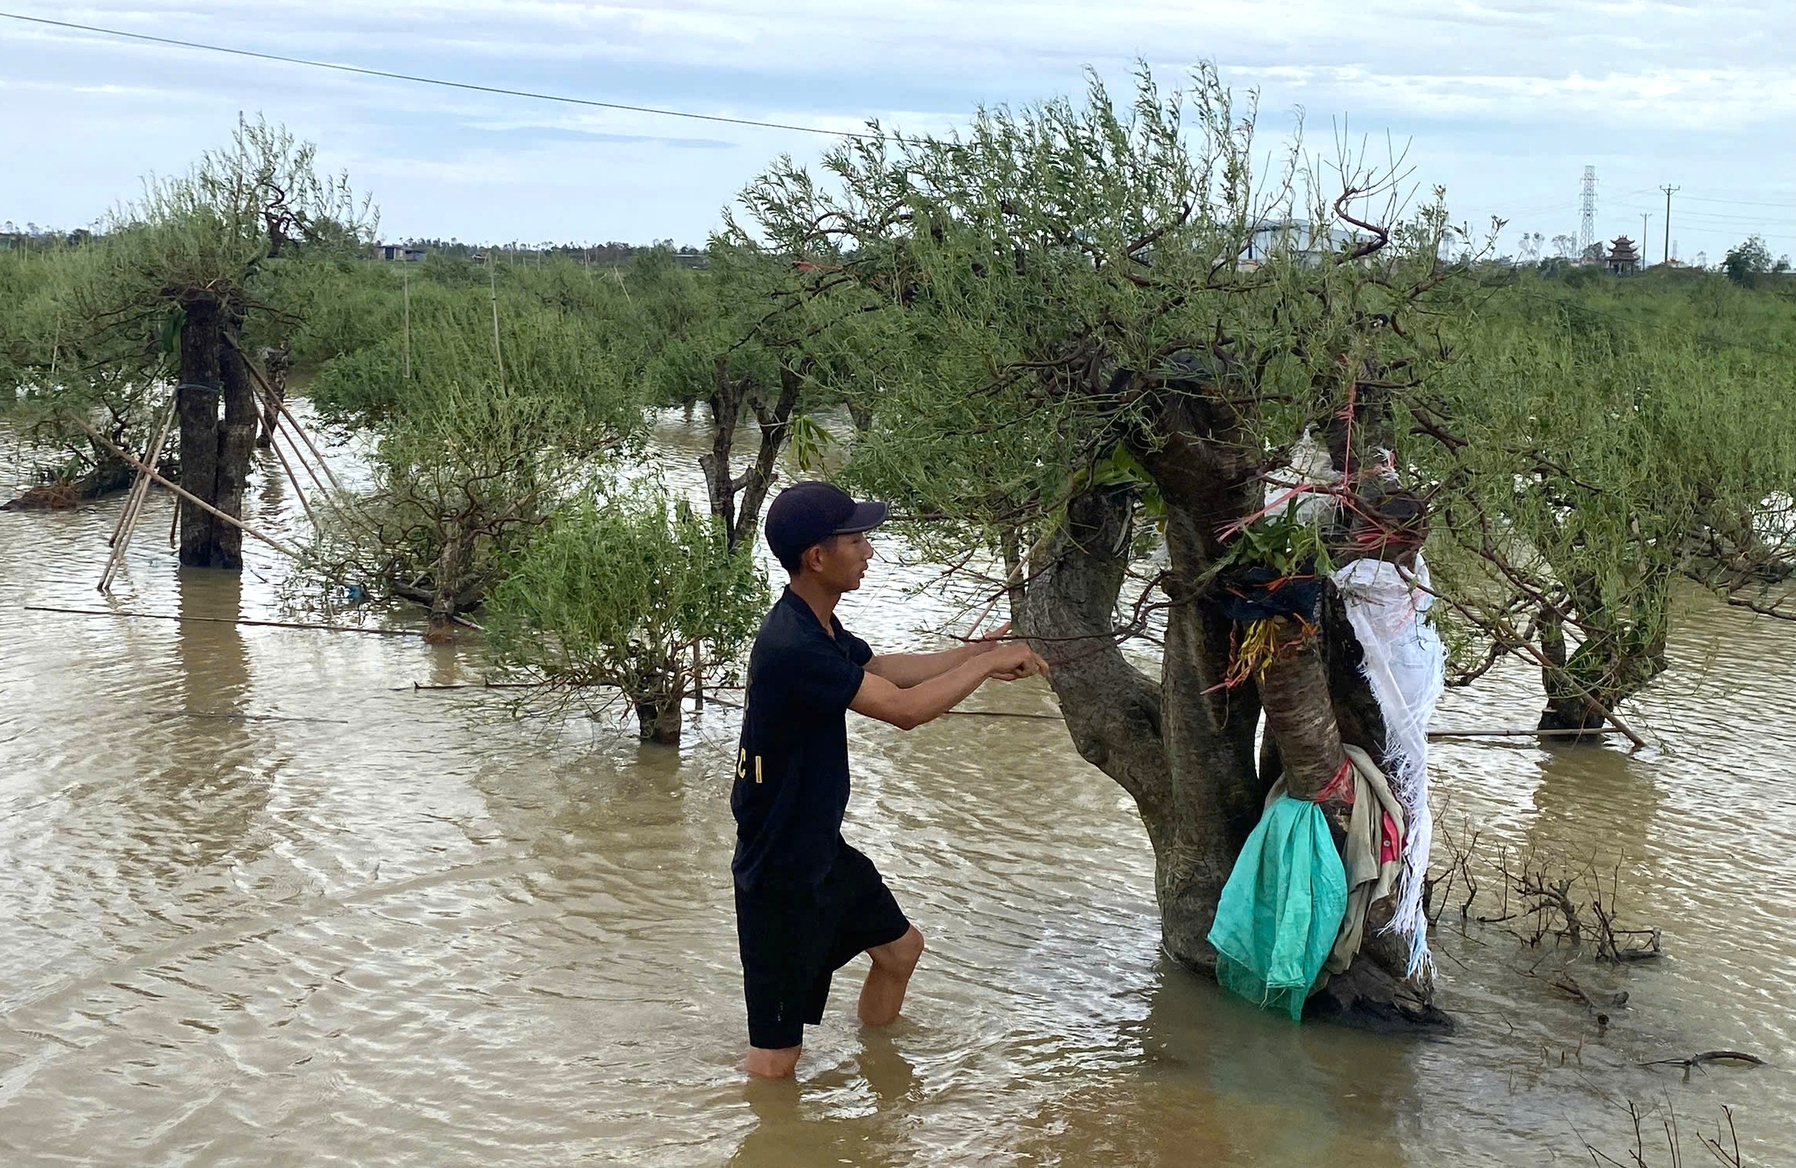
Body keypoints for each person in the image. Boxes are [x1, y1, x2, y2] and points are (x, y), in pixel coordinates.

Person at [731, 480, 1049, 1078]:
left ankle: (880, 1071)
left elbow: (882, 670)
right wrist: (982, 666)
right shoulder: (792, 645)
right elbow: (902, 711)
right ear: (817, 557)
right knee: (776, 1061)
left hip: (820, 850)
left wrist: (975, 651)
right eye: (856, 539)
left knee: (901, 950)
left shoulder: (817, 623)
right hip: (779, 873)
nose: (869, 551)